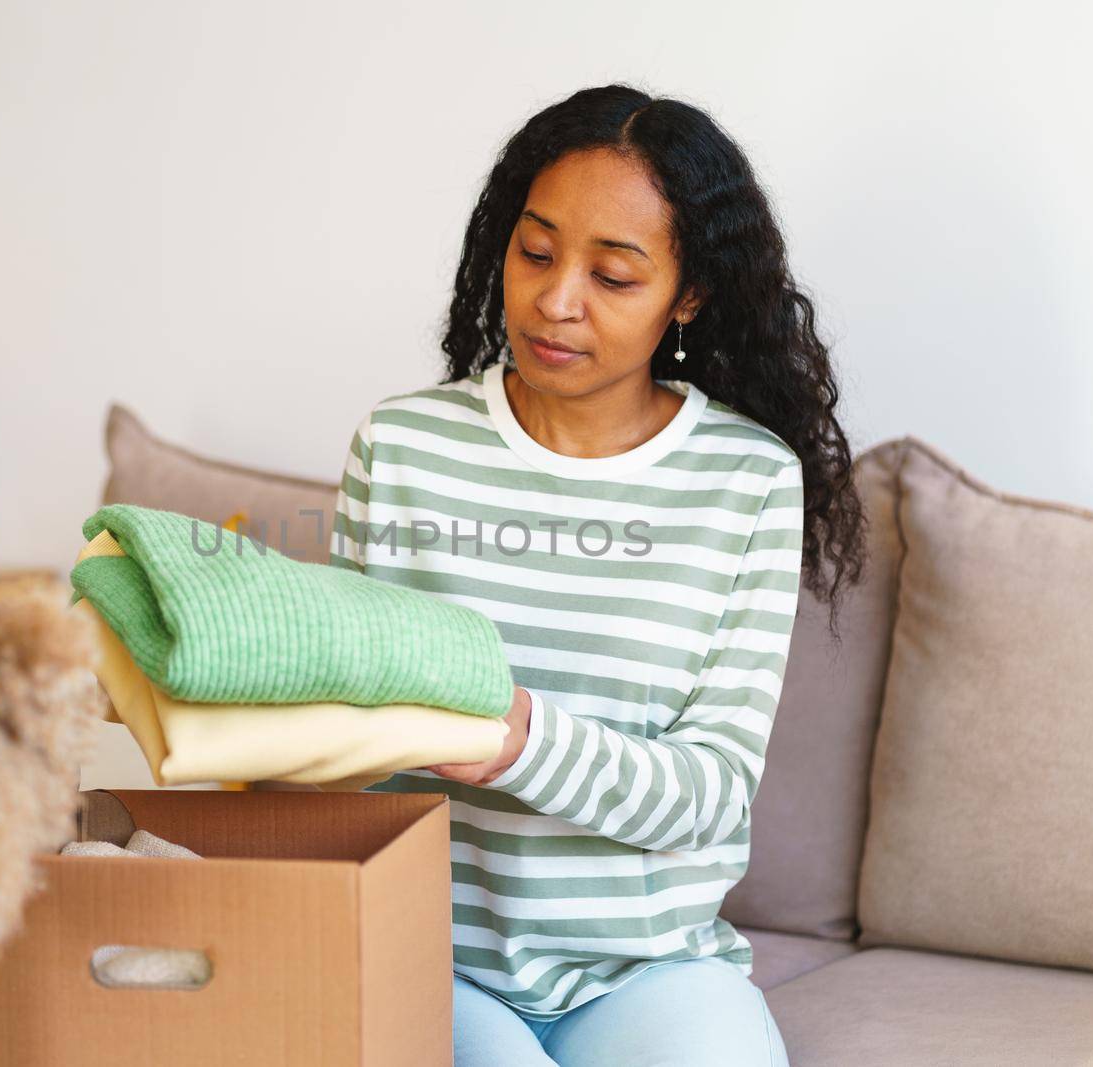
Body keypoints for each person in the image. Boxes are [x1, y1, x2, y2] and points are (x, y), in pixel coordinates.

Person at [328, 83, 868, 1066]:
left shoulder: (743, 480)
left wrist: (518, 740)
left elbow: (710, 792)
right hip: (429, 951)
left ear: (686, 294)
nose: (555, 298)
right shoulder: (402, 445)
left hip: (654, 971)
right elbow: (341, 743)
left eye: (613, 275)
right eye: (534, 252)